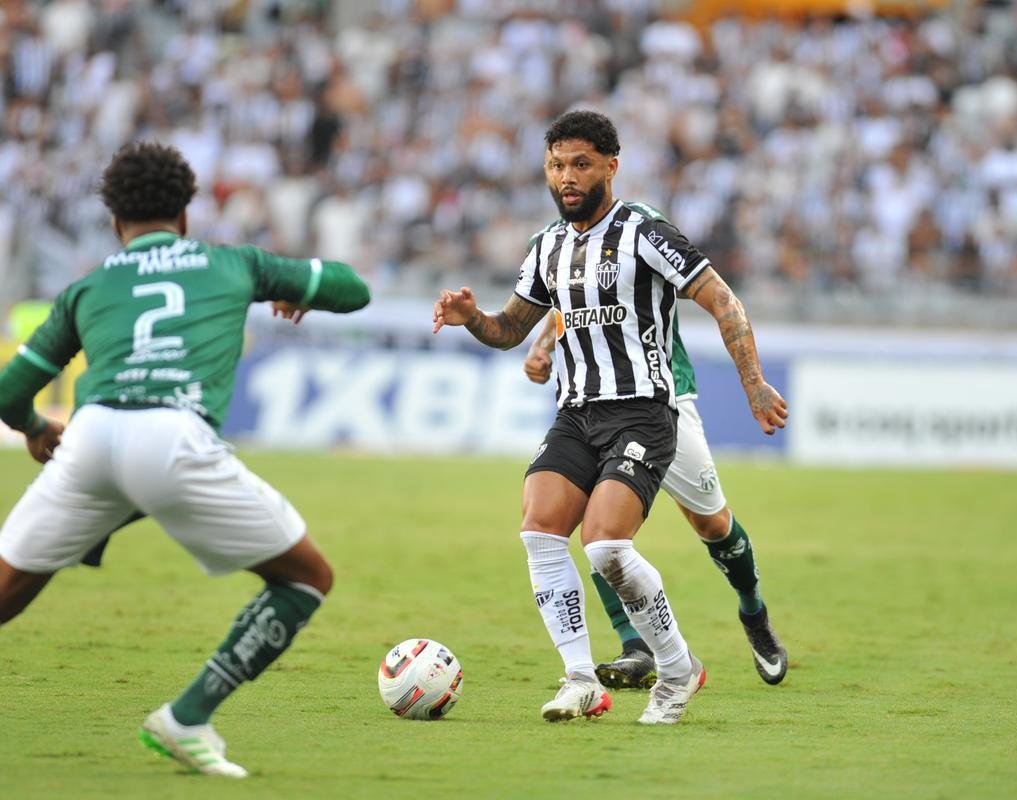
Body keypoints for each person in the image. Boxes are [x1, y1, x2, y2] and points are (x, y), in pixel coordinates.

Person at [0, 142, 370, 777]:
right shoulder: (233, 264)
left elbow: (9, 395)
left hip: (90, 438)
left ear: (116, 224)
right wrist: (297, 291)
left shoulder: (89, 287)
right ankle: (188, 717)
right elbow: (353, 289)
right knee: (307, 577)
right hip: (173, 440)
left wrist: (36, 429)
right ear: (187, 215)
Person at [432, 110, 787, 724]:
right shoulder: (547, 245)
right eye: (555, 165)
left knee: (684, 530)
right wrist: (475, 320)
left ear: (610, 166)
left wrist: (753, 384)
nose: (565, 177)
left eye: (579, 165)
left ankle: (728, 630)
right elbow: (513, 327)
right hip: (578, 412)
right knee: (541, 530)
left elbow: (722, 300)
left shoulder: (645, 232)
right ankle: (581, 678)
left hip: (651, 409)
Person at [524, 281, 788, 689]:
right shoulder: (555, 240)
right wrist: (542, 344)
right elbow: (564, 298)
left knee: (713, 524)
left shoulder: (643, 229)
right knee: (600, 532)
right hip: (591, 407)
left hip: (662, 400)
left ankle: (753, 613)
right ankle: (637, 648)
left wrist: (753, 383)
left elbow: (708, 290)